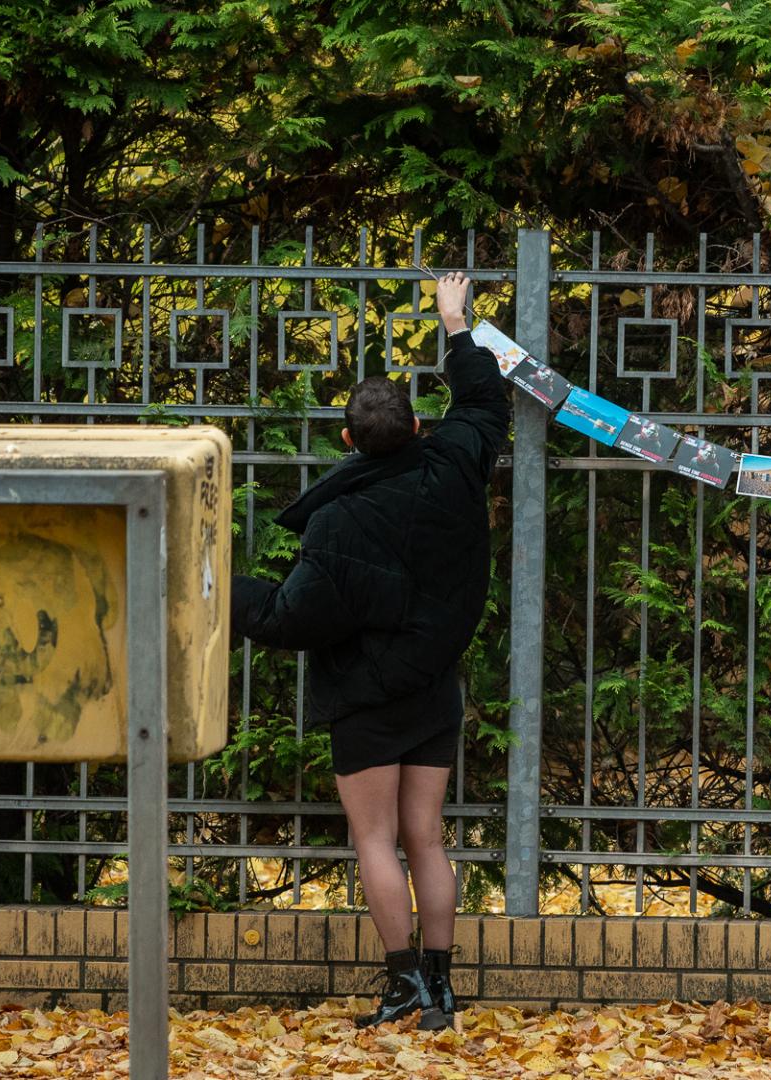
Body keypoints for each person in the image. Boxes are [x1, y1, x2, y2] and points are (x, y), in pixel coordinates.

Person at [231, 271, 509, 1029]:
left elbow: (289, 618)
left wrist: (218, 583)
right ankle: (442, 989)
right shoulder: (455, 462)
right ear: (418, 425)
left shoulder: (337, 522)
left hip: (364, 697)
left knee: (376, 840)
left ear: (348, 440)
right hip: (435, 690)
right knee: (427, 838)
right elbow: (483, 401)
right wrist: (455, 322)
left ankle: (403, 985)